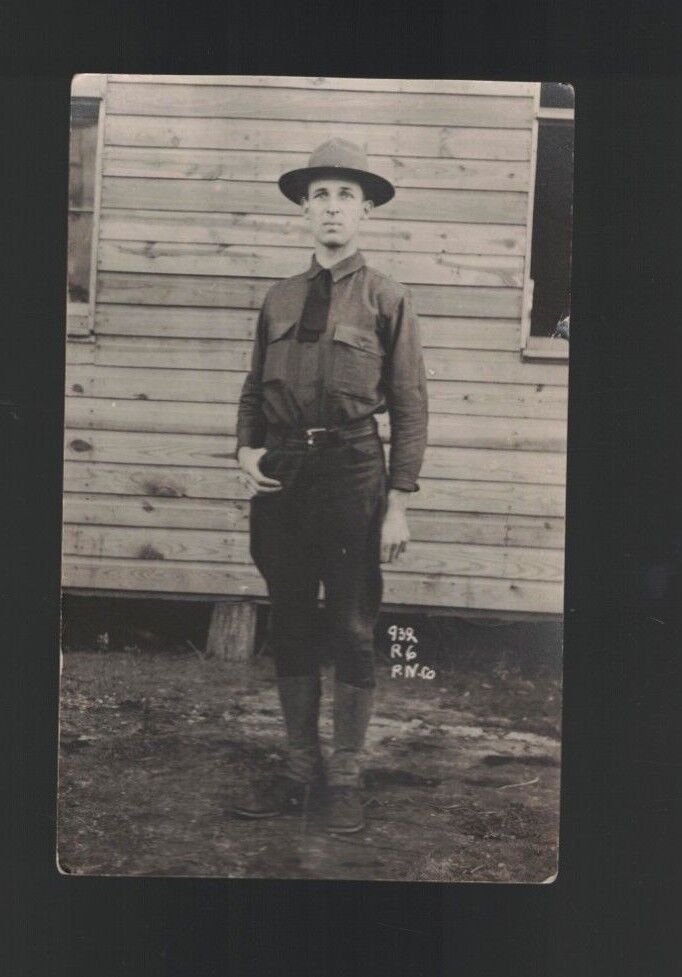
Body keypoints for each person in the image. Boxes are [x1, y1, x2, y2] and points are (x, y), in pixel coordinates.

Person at [230, 138, 428, 833]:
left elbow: (409, 404)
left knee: (350, 623)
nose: (332, 208)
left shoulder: (387, 296)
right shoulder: (279, 297)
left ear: (366, 211)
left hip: (352, 472)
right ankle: (296, 767)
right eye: (320, 195)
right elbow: (255, 385)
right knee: (288, 617)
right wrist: (246, 449)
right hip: (285, 473)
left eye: (346, 195)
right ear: (304, 211)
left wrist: (397, 501)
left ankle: (343, 774)